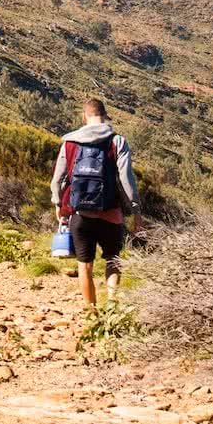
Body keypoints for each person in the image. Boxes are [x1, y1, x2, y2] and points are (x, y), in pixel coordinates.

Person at [50, 97, 141, 306]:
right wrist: (136, 210)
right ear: (105, 116)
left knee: (84, 265)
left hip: (80, 214)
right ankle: (111, 305)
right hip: (111, 213)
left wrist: (58, 204)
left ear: (84, 116)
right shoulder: (117, 141)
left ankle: (91, 311)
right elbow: (127, 180)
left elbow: (57, 180)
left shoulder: (70, 143)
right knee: (113, 260)